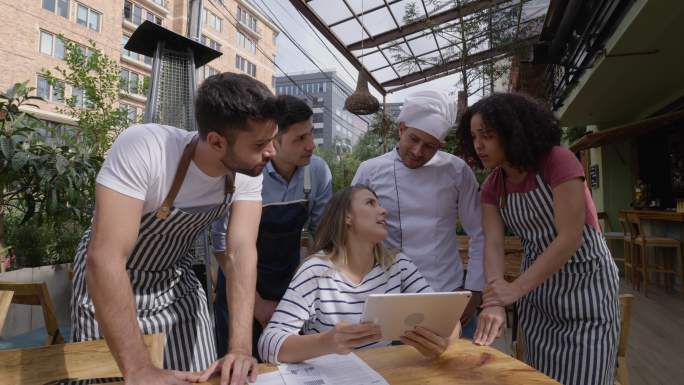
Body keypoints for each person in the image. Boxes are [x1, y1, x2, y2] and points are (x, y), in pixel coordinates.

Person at [70, 73, 283, 385]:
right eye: (261, 144)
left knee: (200, 377)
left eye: (273, 139)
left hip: (174, 282)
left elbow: (240, 252)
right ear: (216, 141)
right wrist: (139, 368)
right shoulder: (145, 148)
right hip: (110, 281)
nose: (272, 153)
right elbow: (106, 257)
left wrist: (240, 348)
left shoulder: (248, 168)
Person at [460, 93, 619, 385]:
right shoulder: (493, 187)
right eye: (473, 137)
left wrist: (515, 289)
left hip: (586, 286)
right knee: (537, 376)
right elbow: (492, 245)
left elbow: (570, 237)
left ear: (512, 129)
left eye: (487, 135)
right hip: (538, 295)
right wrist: (495, 300)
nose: (478, 145)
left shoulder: (557, 161)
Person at [258, 185, 458, 363]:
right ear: (347, 217)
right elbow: (268, 344)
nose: (383, 211)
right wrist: (326, 342)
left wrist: (445, 342)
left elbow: (449, 319)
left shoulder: (398, 265)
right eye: (370, 203)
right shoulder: (316, 271)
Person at [352, 90, 485, 337]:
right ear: (401, 128)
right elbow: (351, 232)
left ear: (441, 146)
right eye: (413, 139)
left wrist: (474, 291)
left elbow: (479, 232)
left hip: (447, 292)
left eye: (430, 146)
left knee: (458, 371)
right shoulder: (369, 170)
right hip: (389, 294)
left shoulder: (457, 171)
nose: (418, 151)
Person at [212, 95, 333, 358]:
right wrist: (255, 304)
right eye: (299, 139)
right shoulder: (245, 173)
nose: (311, 145)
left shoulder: (318, 173)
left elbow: (322, 238)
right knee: (238, 365)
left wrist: (300, 295)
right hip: (237, 281)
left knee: (288, 364)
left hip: (288, 284)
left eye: (310, 134)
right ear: (274, 142)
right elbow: (223, 246)